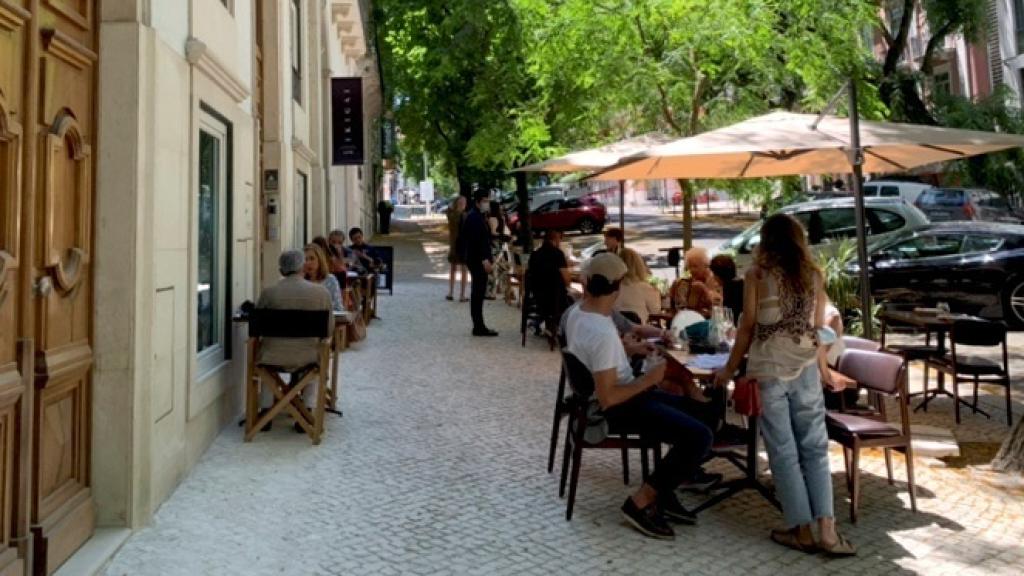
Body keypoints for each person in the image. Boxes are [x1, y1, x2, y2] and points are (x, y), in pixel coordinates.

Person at [713, 214, 855, 555]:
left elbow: (747, 328)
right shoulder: (814, 275)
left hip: (769, 368)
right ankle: (828, 531)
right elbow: (819, 330)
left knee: (783, 450)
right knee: (815, 449)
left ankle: (802, 530)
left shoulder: (757, 275)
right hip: (806, 366)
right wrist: (823, 370)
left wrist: (730, 370)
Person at [564, 253, 713, 540]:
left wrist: (629, 352)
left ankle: (664, 488)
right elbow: (609, 398)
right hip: (616, 408)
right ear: (618, 286)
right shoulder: (601, 332)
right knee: (700, 436)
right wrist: (650, 379)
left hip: (612, 397)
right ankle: (640, 502)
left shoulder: (579, 312)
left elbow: (595, 357)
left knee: (701, 412)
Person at [256, 250, 334, 427]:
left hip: (271, 356)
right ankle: (306, 410)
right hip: (307, 357)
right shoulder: (321, 293)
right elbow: (328, 330)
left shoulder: (269, 293)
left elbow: (257, 326)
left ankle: (266, 410)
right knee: (316, 359)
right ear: (302, 268)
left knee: (267, 368)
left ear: (282, 271)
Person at [461, 190, 498, 336]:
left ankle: (479, 324)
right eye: (485, 201)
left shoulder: (477, 216)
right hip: (477, 261)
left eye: (488, 200)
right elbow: (476, 242)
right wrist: (484, 260)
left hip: (476, 259)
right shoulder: (474, 218)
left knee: (478, 292)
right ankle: (478, 326)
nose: (487, 203)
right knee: (478, 293)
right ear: (477, 202)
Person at [527, 229, 571, 337]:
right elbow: (566, 279)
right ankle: (558, 328)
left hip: (537, 297)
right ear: (555, 239)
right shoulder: (558, 254)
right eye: (560, 239)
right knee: (573, 299)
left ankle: (548, 324)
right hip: (555, 297)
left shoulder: (534, 254)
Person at [668, 246, 722, 318]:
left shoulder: (715, 282)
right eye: (689, 266)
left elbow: (717, 308)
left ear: (705, 265)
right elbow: (675, 308)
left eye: (695, 266)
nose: (692, 270)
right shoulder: (683, 283)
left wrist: (704, 289)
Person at [615, 248, 661, 325]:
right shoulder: (645, 287)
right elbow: (655, 310)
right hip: (639, 331)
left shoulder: (610, 288)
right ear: (639, 265)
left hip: (616, 330)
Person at [303, 243, 345, 313]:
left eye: (312, 258)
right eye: (305, 259)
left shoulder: (330, 280)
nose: (308, 263)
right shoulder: (301, 281)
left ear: (320, 260)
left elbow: (338, 308)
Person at [710, 253, 743, 323]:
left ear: (718, 274)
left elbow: (729, 317)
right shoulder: (740, 283)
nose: (713, 277)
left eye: (714, 273)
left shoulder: (730, 288)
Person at [446, 196, 468, 302]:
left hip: (453, 245)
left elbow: (448, 208)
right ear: (463, 204)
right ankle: (462, 295)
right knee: (464, 270)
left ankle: (450, 292)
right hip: (463, 245)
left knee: (453, 269)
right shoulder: (464, 215)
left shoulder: (451, 215)